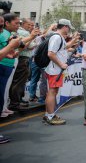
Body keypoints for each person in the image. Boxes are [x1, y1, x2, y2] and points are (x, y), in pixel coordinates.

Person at [43, 19, 76, 125]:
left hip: (56, 70)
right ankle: (50, 116)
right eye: (69, 28)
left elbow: (62, 49)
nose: (69, 30)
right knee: (52, 92)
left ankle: (49, 114)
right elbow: (51, 54)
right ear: (65, 26)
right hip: (54, 70)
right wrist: (61, 64)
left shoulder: (58, 37)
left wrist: (73, 42)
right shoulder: (56, 37)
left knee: (53, 92)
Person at [8, 18, 40, 111]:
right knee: (18, 82)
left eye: (32, 25)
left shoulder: (23, 32)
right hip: (21, 59)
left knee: (19, 82)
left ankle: (17, 101)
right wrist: (31, 38)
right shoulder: (24, 33)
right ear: (23, 24)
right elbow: (29, 46)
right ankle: (15, 103)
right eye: (29, 25)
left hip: (21, 59)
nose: (31, 27)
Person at [0, 15, 21, 144]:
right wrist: (10, 46)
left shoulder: (5, 34)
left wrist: (10, 50)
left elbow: (6, 52)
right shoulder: (5, 35)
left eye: (1, 26)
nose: (1, 29)